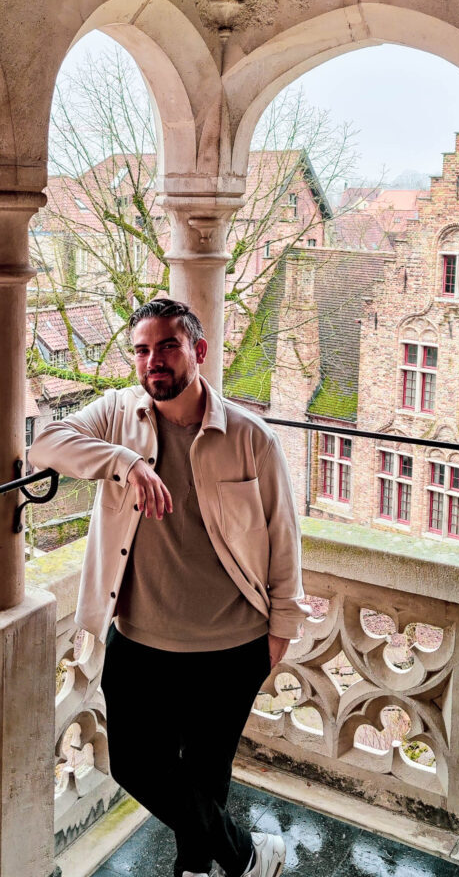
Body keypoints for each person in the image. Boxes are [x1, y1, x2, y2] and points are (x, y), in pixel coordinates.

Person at [29, 297, 306, 877]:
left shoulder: (251, 438)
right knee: (132, 762)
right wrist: (126, 462)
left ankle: (195, 870)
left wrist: (280, 631)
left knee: (206, 774)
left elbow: (284, 538)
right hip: (140, 639)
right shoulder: (117, 416)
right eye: (142, 349)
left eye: (167, 346)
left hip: (232, 644)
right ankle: (250, 856)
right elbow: (46, 442)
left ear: (198, 352)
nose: (153, 360)